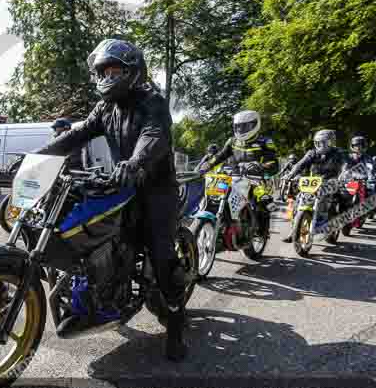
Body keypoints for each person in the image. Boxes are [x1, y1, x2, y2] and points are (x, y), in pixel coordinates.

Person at [33, 38, 187, 361]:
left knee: (161, 257)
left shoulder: (152, 101)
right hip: (123, 186)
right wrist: (38, 155)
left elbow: (154, 136)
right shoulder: (104, 108)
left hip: (156, 190)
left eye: (114, 69)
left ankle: (175, 326)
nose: (107, 76)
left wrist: (134, 162)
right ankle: (100, 290)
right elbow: (76, 134)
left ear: (132, 70)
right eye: (102, 71)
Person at [280, 129, 349, 243]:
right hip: (314, 181)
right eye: (318, 142)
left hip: (332, 180)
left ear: (331, 142)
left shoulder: (339, 153)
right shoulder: (312, 153)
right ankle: (294, 231)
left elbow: (346, 164)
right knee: (298, 201)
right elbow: (300, 164)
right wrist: (291, 174)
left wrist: (344, 174)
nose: (320, 145)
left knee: (341, 198)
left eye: (324, 142)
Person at [198, 110, 279, 179]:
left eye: (245, 126)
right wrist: (209, 164)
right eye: (238, 127)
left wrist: (260, 166)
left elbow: (274, 165)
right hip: (234, 180)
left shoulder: (265, 142)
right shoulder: (232, 141)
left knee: (265, 197)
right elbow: (220, 156)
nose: (240, 129)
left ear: (255, 124)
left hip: (256, 180)